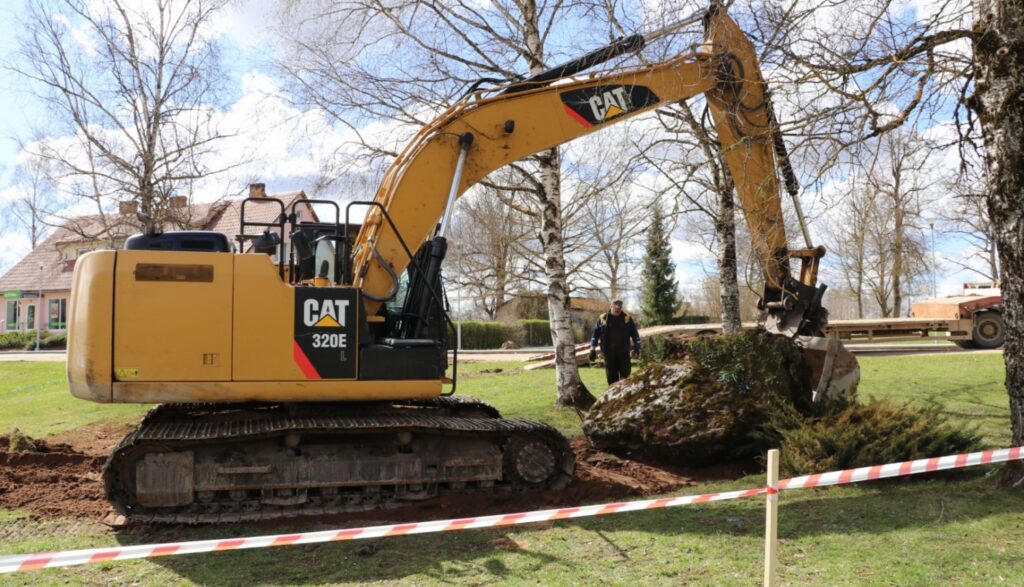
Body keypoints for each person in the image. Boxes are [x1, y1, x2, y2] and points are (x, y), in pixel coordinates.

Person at [589, 300, 641, 385]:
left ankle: (626, 396)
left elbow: (635, 335)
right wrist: (592, 350)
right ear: (611, 307)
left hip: (623, 353)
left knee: (626, 378)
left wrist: (637, 348)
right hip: (609, 354)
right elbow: (595, 335)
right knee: (612, 379)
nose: (618, 310)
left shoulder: (627, 318)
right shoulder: (603, 318)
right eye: (616, 308)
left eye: (619, 308)